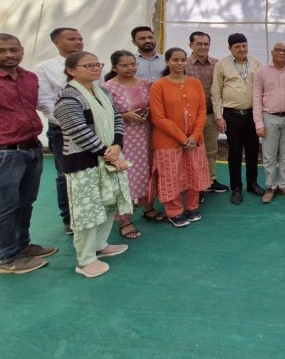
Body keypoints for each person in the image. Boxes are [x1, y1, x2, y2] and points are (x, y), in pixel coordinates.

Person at [54, 51, 131, 278]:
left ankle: (100, 245)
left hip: (108, 157)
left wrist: (117, 144)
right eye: (88, 66)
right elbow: (77, 131)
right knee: (87, 211)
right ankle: (85, 260)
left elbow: (117, 118)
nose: (95, 69)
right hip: (84, 162)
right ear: (71, 70)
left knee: (108, 202)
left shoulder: (103, 92)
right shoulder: (68, 98)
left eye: (97, 64)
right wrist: (107, 153)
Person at [0, 33, 56, 275]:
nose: (9, 55)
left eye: (14, 50)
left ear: (22, 50)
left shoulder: (30, 78)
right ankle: (7, 257)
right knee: (6, 206)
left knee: (26, 202)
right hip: (5, 152)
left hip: (31, 147)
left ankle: (23, 246)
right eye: (2, 51)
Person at [103, 50, 163, 237]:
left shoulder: (146, 84)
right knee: (125, 176)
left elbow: (156, 106)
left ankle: (148, 207)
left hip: (146, 134)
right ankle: (125, 219)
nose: (130, 68)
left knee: (147, 171)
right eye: (124, 65)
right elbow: (102, 116)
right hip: (122, 138)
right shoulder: (107, 88)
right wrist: (123, 116)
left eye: (132, 64)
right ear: (114, 67)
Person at [150, 48, 211, 228]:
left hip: (194, 140)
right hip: (167, 142)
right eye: (175, 60)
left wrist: (194, 135)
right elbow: (158, 117)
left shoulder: (195, 83)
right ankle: (174, 211)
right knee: (171, 175)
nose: (179, 63)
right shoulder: (158, 86)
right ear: (167, 62)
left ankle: (192, 206)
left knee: (194, 171)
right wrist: (182, 137)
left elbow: (202, 110)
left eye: (182, 60)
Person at [34, 27, 84, 234]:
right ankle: (69, 218)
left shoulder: (89, 64)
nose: (78, 42)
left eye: (80, 38)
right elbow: (45, 102)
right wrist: (72, 122)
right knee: (66, 175)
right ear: (57, 43)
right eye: (72, 39)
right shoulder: (44, 68)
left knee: (90, 173)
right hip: (63, 131)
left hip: (92, 128)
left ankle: (89, 213)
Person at [211, 33, 263, 205]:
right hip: (232, 116)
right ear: (230, 48)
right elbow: (216, 92)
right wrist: (218, 116)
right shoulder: (222, 65)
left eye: (244, 45)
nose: (242, 49)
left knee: (253, 151)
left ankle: (252, 183)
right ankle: (236, 188)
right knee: (234, 152)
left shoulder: (255, 62)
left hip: (252, 115)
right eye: (237, 47)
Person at [185, 31, 228, 194]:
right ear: (191, 45)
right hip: (189, 117)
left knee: (210, 149)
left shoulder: (217, 64)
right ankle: (194, 185)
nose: (203, 47)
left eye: (206, 44)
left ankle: (210, 180)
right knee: (191, 150)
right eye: (199, 44)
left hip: (211, 115)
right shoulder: (184, 64)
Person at [254, 42, 285, 204]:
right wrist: (259, 123)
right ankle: (271, 187)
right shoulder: (261, 72)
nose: (280, 53)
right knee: (269, 155)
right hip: (268, 117)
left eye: (284, 50)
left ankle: (284, 184)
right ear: (272, 52)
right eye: (277, 50)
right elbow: (256, 98)